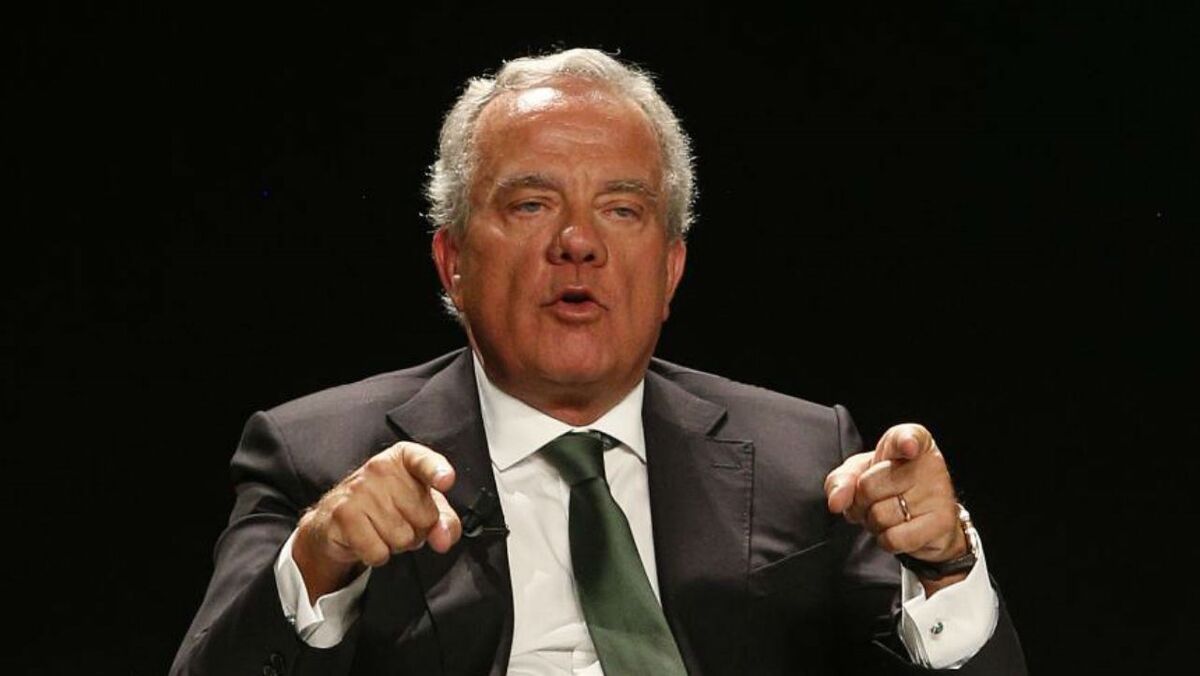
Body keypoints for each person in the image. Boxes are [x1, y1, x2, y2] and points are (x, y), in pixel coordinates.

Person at [171, 48, 1025, 675]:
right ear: (452, 262)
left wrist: (946, 566)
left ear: (671, 269)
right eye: (531, 204)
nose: (577, 242)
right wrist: (320, 561)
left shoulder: (806, 459)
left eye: (621, 209)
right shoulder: (315, 456)